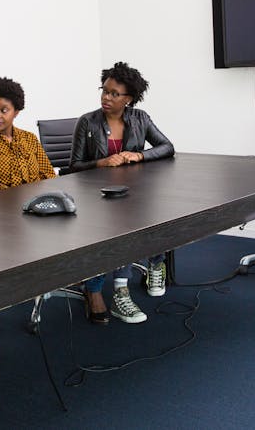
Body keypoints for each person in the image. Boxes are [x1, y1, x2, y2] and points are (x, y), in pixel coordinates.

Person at [69, 62, 175, 325]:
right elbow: (73, 166)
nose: (107, 97)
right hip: (98, 197)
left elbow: (167, 146)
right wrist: (101, 163)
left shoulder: (140, 118)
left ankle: (156, 263)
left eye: (115, 93)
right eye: (105, 91)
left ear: (128, 99)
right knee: (121, 229)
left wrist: (138, 154)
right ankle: (120, 291)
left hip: (133, 192)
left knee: (161, 211)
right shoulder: (88, 122)